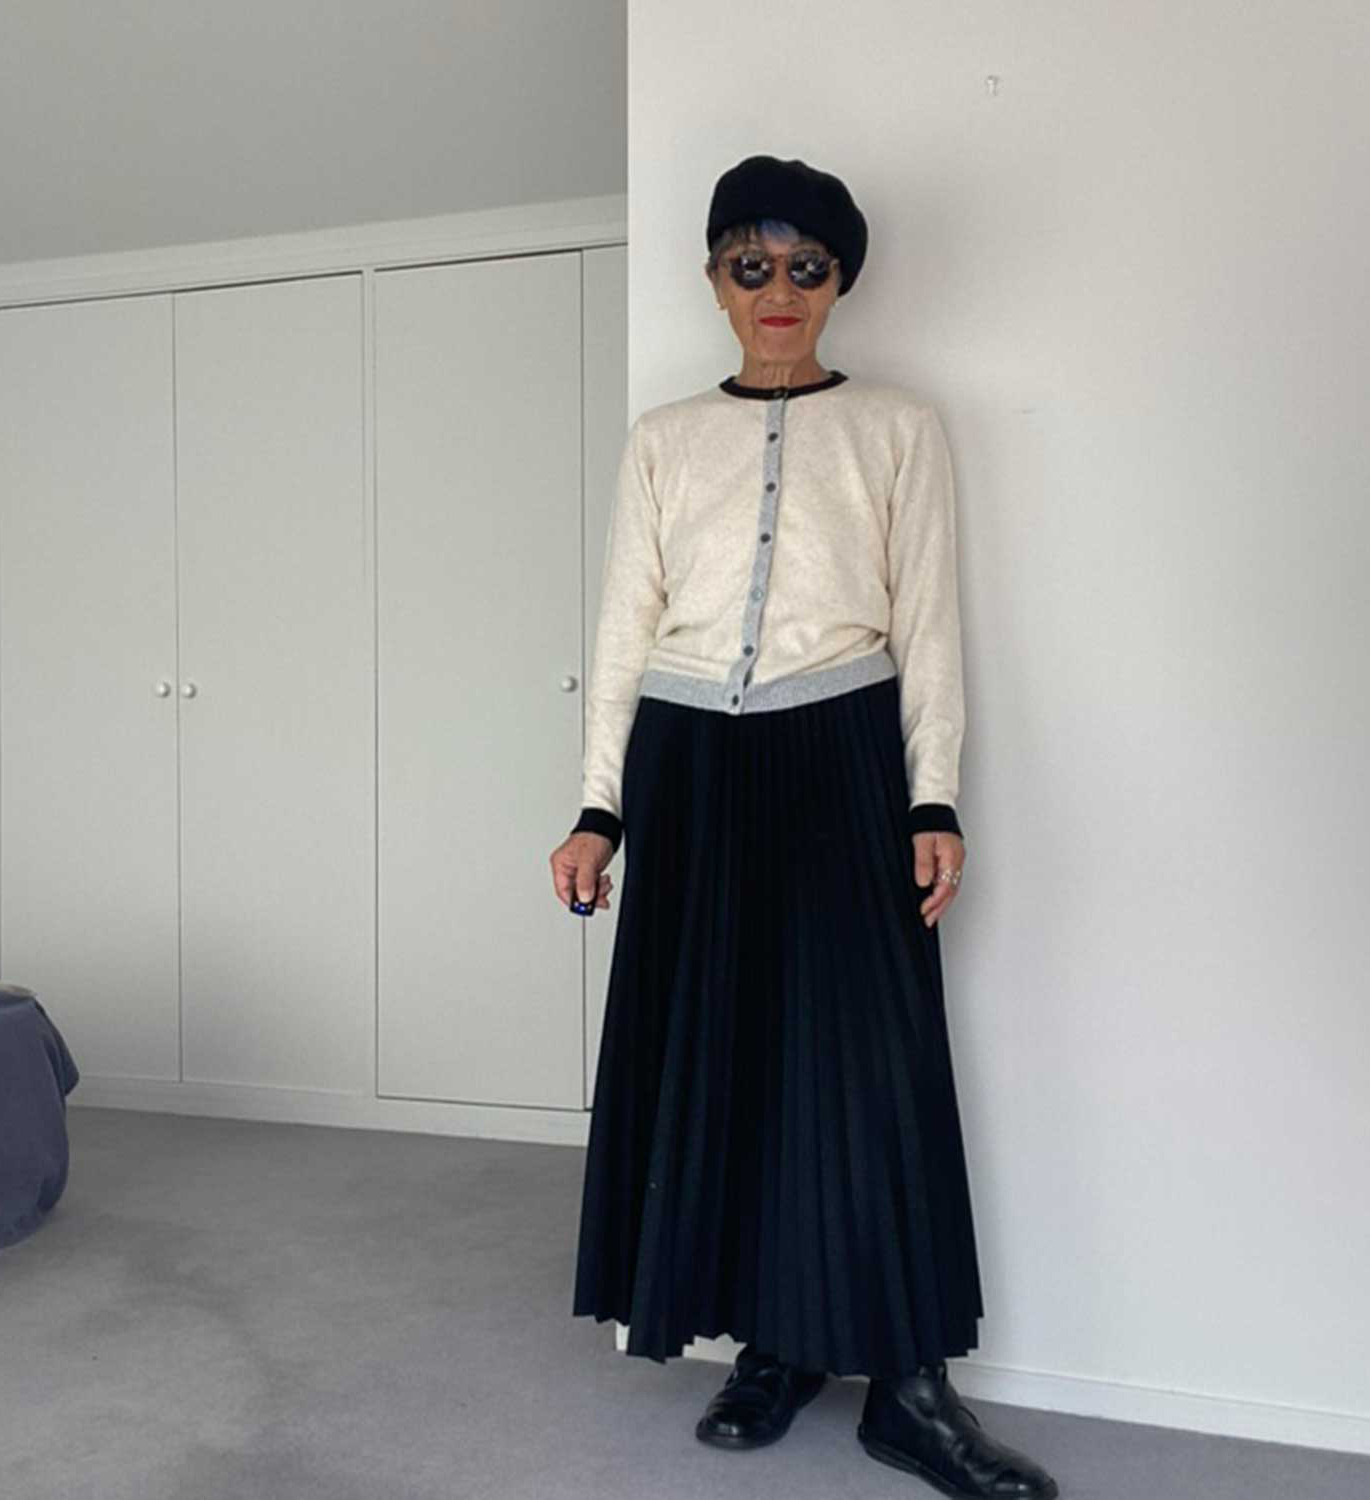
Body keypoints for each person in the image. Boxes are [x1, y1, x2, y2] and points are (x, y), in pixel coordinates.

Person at [549, 153, 1059, 1500]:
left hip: (841, 750)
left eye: (806, 266)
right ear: (714, 281)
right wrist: (599, 807)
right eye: (751, 264)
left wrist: (931, 792)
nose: (778, 289)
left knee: (869, 1064)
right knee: (723, 1057)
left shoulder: (897, 426)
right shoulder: (664, 440)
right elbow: (622, 630)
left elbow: (928, 619)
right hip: (687, 762)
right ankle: (769, 1347)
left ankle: (908, 1390)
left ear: (840, 281)